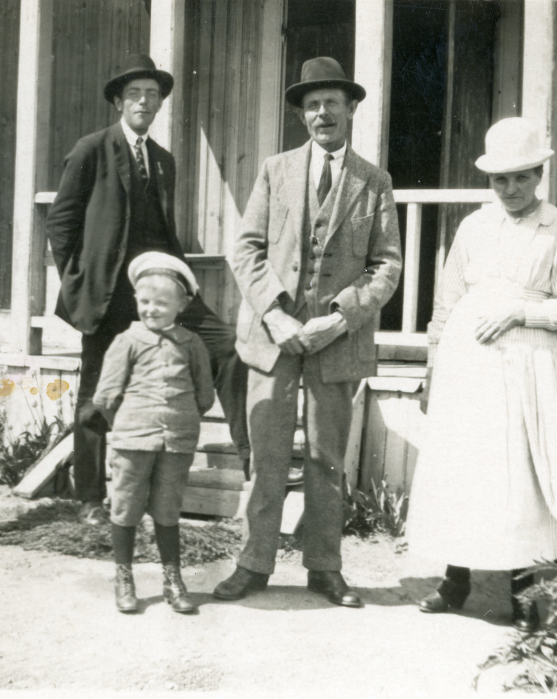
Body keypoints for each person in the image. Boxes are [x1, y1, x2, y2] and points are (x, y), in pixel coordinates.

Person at [215, 57, 402, 605]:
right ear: (302, 114)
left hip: (335, 343)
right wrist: (273, 312)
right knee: (266, 455)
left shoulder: (374, 181)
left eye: (333, 103)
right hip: (272, 339)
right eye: (313, 104)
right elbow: (246, 248)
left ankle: (325, 567)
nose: (323, 113)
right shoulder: (275, 170)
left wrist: (341, 316)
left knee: (325, 459)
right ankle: (253, 563)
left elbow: (386, 265)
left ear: (351, 110)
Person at [46, 54, 249, 527]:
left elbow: (163, 229)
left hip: (162, 284)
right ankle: (91, 498)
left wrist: (179, 284)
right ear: (119, 101)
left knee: (228, 349)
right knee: (98, 394)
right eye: (135, 94)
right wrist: (80, 282)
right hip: (108, 295)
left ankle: (250, 458)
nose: (144, 101)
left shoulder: (163, 161)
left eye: (152, 95)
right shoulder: (92, 149)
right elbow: (60, 223)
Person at [407, 117, 557, 632]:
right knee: (468, 470)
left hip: (529, 365)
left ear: (539, 175)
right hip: (470, 368)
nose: (511, 190)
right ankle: (455, 580)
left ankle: (522, 594)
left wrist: (520, 313)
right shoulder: (473, 227)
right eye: (500, 180)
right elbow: (445, 306)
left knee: (520, 478)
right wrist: (433, 369)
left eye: (522, 177)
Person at [92, 252, 215, 614]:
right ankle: (124, 576)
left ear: (182, 304)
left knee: (168, 509)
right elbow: (105, 396)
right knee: (126, 506)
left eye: (162, 303)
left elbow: (204, 395)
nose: (151, 310)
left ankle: (172, 579)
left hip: (177, 440)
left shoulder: (191, 344)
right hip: (133, 439)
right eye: (144, 302)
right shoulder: (127, 341)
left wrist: (181, 418)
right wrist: (130, 423)